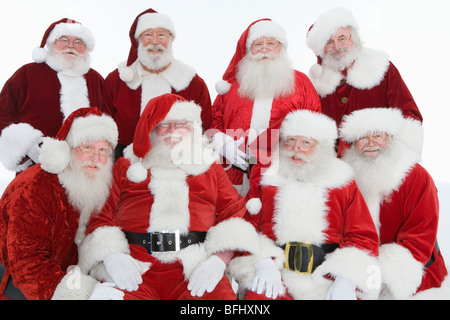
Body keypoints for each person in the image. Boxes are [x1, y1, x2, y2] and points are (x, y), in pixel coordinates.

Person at [78, 94, 260, 300]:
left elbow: (234, 214)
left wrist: (218, 261)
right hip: (135, 267)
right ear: (151, 129)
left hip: (194, 268)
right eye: (164, 124)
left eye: (180, 123)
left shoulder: (209, 167)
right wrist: (113, 257)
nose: (172, 130)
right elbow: (100, 213)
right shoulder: (126, 165)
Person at [229, 110, 380, 300]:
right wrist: (263, 263)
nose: (295, 148)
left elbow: (361, 236)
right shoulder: (268, 180)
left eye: (305, 142)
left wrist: (346, 280)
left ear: (322, 147)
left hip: (326, 278)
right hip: (277, 272)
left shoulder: (342, 182)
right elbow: (246, 227)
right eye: (290, 140)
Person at [0, 107, 123, 300]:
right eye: (88, 148)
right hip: (25, 288)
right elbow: (27, 264)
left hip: (71, 272)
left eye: (103, 150)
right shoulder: (34, 188)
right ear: (67, 149)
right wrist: (84, 292)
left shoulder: (97, 183)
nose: (96, 158)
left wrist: (114, 258)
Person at [340, 107, 449, 299]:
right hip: (358, 271)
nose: (371, 143)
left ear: (390, 137)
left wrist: (374, 274)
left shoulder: (416, 176)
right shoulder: (344, 179)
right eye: (363, 137)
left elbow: (420, 239)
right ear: (353, 143)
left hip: (414, 271)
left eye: (378, 136)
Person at [211, 19, 321, 195]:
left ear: (281, 47)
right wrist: (221, 142)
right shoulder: (231, 87)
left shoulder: (301, 84)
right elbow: (212, 120)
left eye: (271, 43)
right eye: (257, 44)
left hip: (285, 173)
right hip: (234, 178)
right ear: (249, 49)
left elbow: (315, 127)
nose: (264, 48)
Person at [306, 7, 423, 155]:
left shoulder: (381, 68)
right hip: (334, 165)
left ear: (353, 38)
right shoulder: (315, 83)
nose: (337, 47)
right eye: (329, 42)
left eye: (342, 38)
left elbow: (409, 115)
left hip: (377, 159)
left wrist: (393, 155)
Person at [103, 8, 213, 158]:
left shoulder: (192, 81)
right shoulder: (117, 80)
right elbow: (103, 125)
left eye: (161, 35)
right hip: (125, 162)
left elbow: (206, 126)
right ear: (138, 40)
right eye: (148, 35)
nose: (155, 41)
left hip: (179, 162)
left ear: (171, 39)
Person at [0, 18, 104, 173]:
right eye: (64, 40)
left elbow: (110, 119)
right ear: (51, 44)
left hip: (85, 174)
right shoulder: (27, 74)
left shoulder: (96, 80)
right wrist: (31, 146)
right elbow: (3, 113)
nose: (71, 46)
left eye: (78, 42)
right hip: (35, 170)